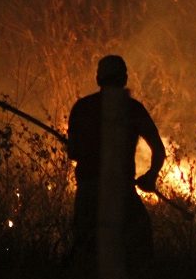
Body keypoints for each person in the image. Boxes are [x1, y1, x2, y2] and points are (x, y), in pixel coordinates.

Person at [67, 55, 165, 279]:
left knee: (85, 252)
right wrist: (150, 176)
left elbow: (73, 152)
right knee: (139, 250)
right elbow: (158, 149)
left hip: (89, 193)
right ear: (125, 78)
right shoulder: (133, 109)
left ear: (98, 78)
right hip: (122, 193)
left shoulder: (82, 108)